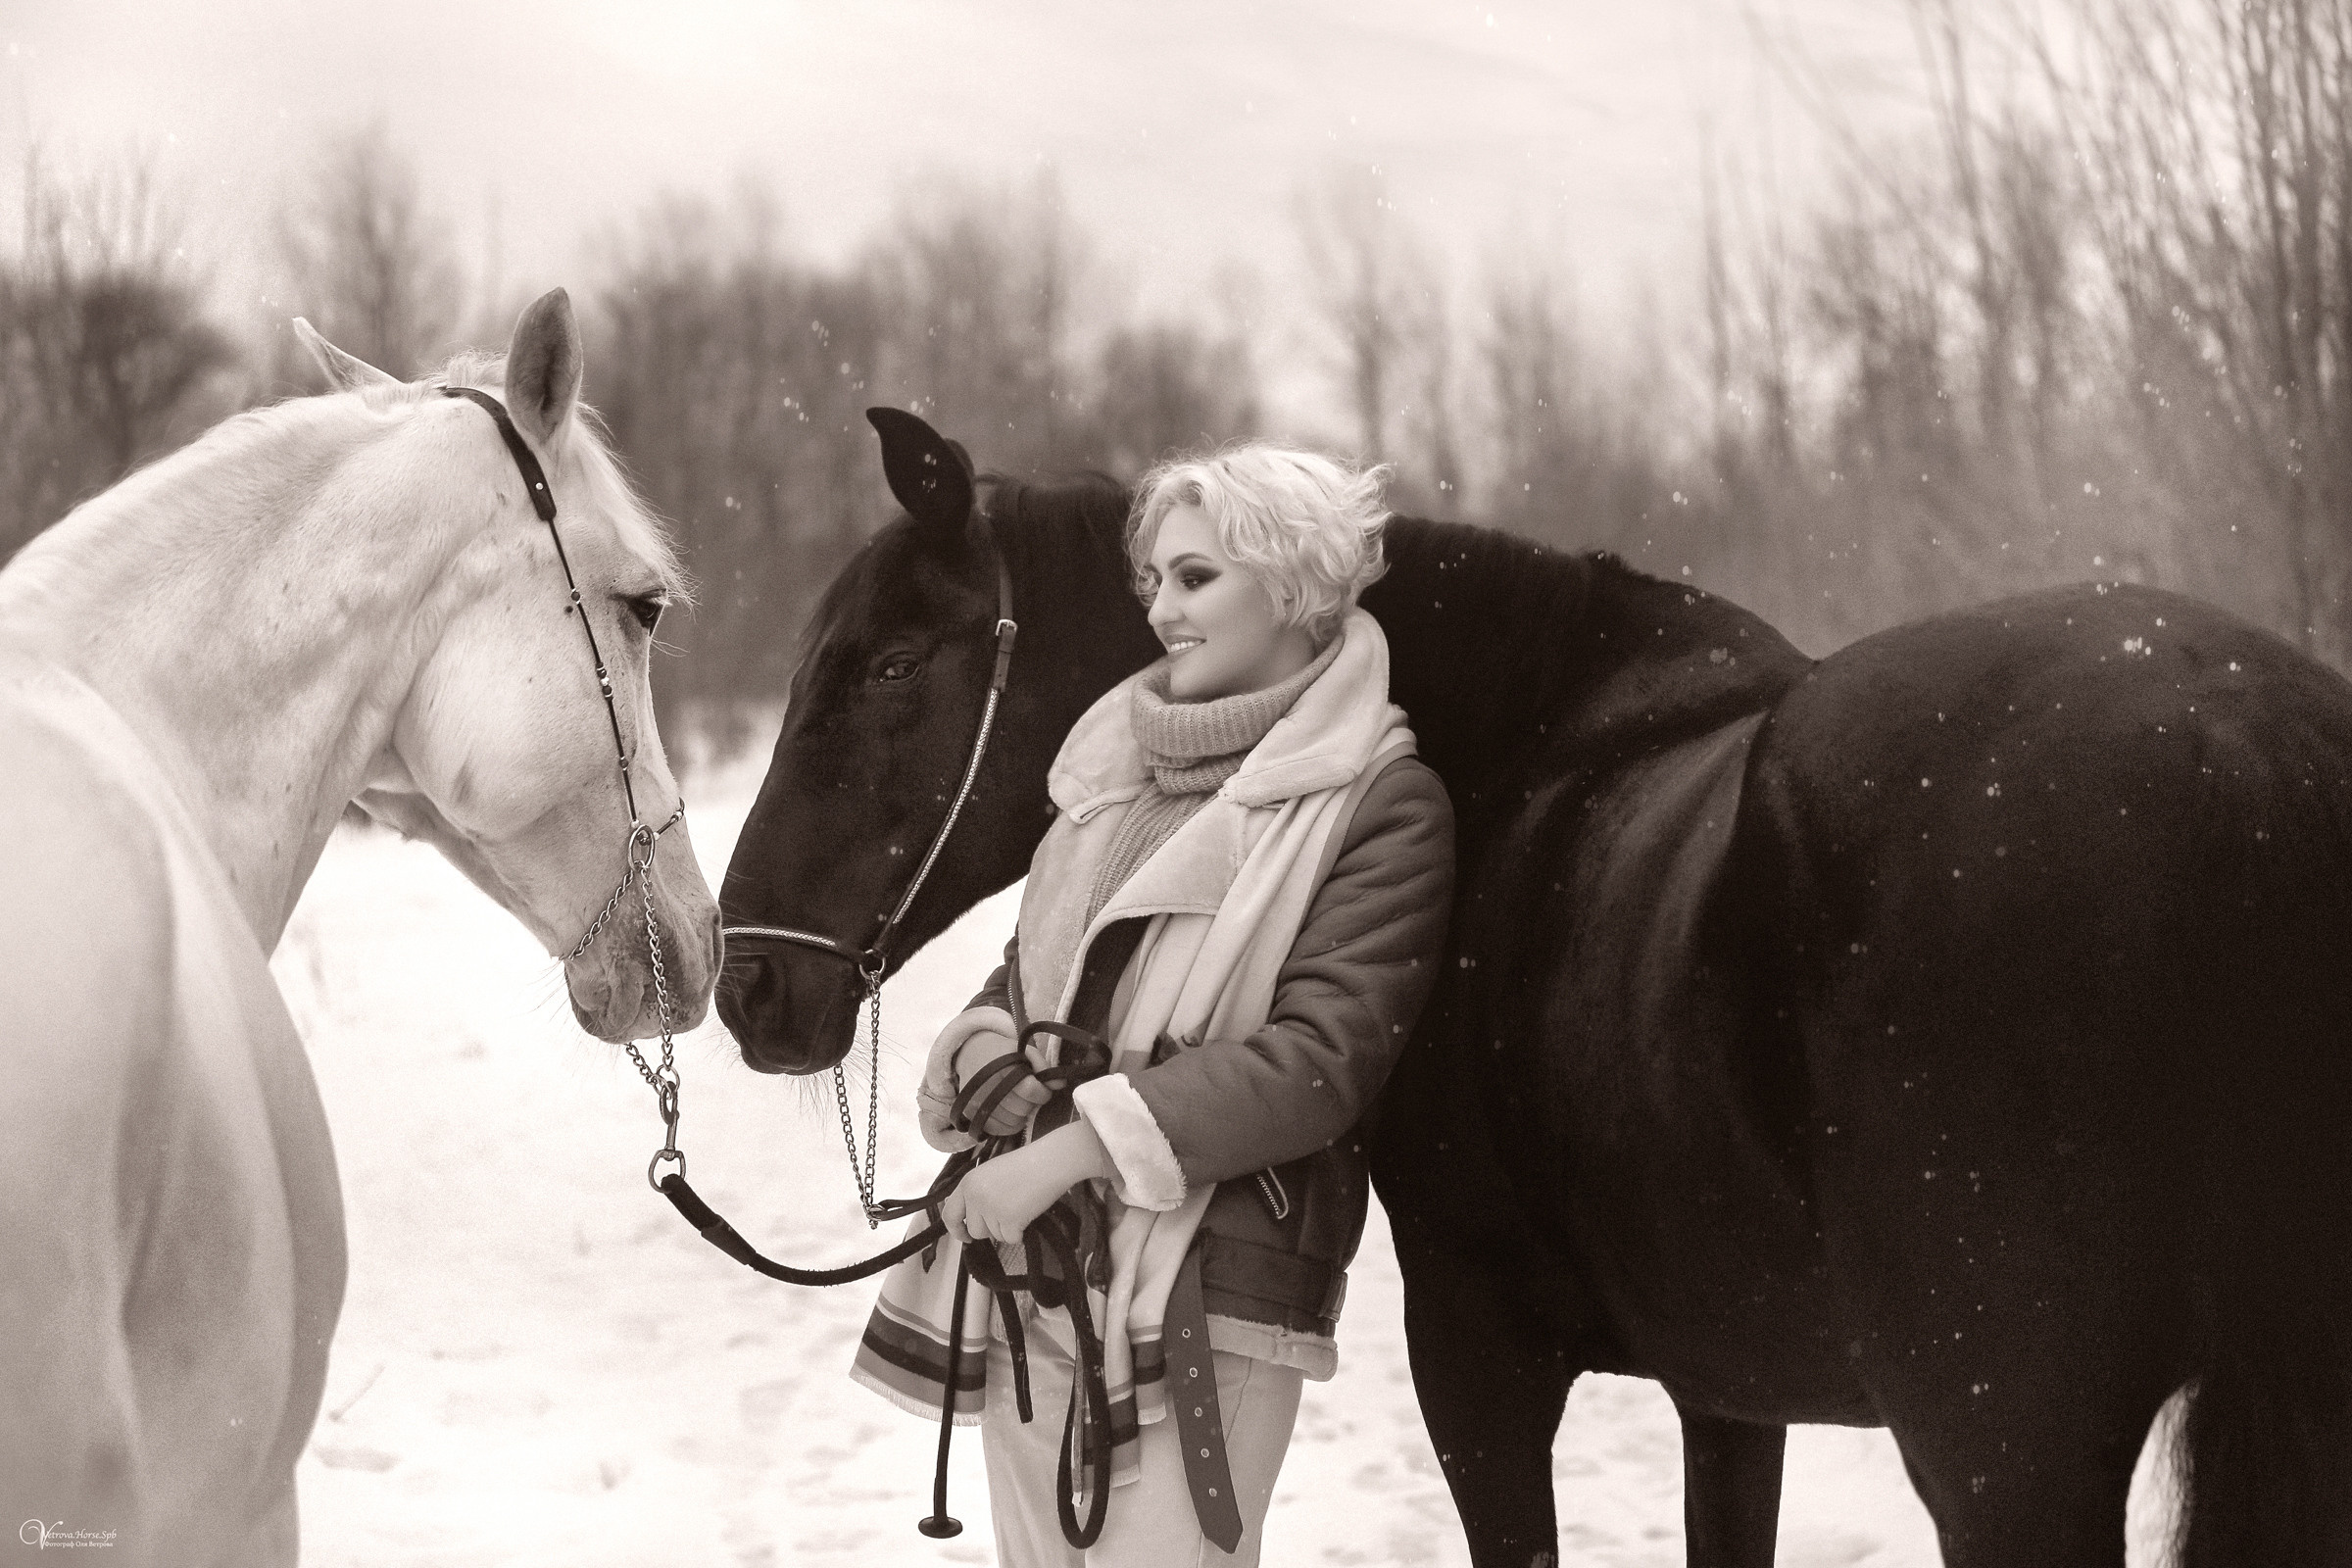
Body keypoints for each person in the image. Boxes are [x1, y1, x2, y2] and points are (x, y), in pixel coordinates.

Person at [851, 442, 1455, 1566]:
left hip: (1212, 1283)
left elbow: (1315, 1065)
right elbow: (1046, 964)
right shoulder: (1115, 762)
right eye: (1157, 580)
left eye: (1197, 579)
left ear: (1293, 585)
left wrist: (1072, 1148)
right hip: (1040, 1257)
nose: (1161, 610)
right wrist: (984, 1043)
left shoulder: (1384, 802)